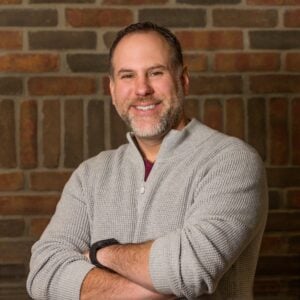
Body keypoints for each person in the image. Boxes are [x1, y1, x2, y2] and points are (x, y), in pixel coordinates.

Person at [27, 22, 268, 300]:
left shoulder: (232, 162)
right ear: (113, 89)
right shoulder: (90, 175)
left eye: (155, 72)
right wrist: (153, 286)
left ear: (183, 79)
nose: (142, 89)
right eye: (127, 76)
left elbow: (190, 269)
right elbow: (43, 272)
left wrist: (100, 253)